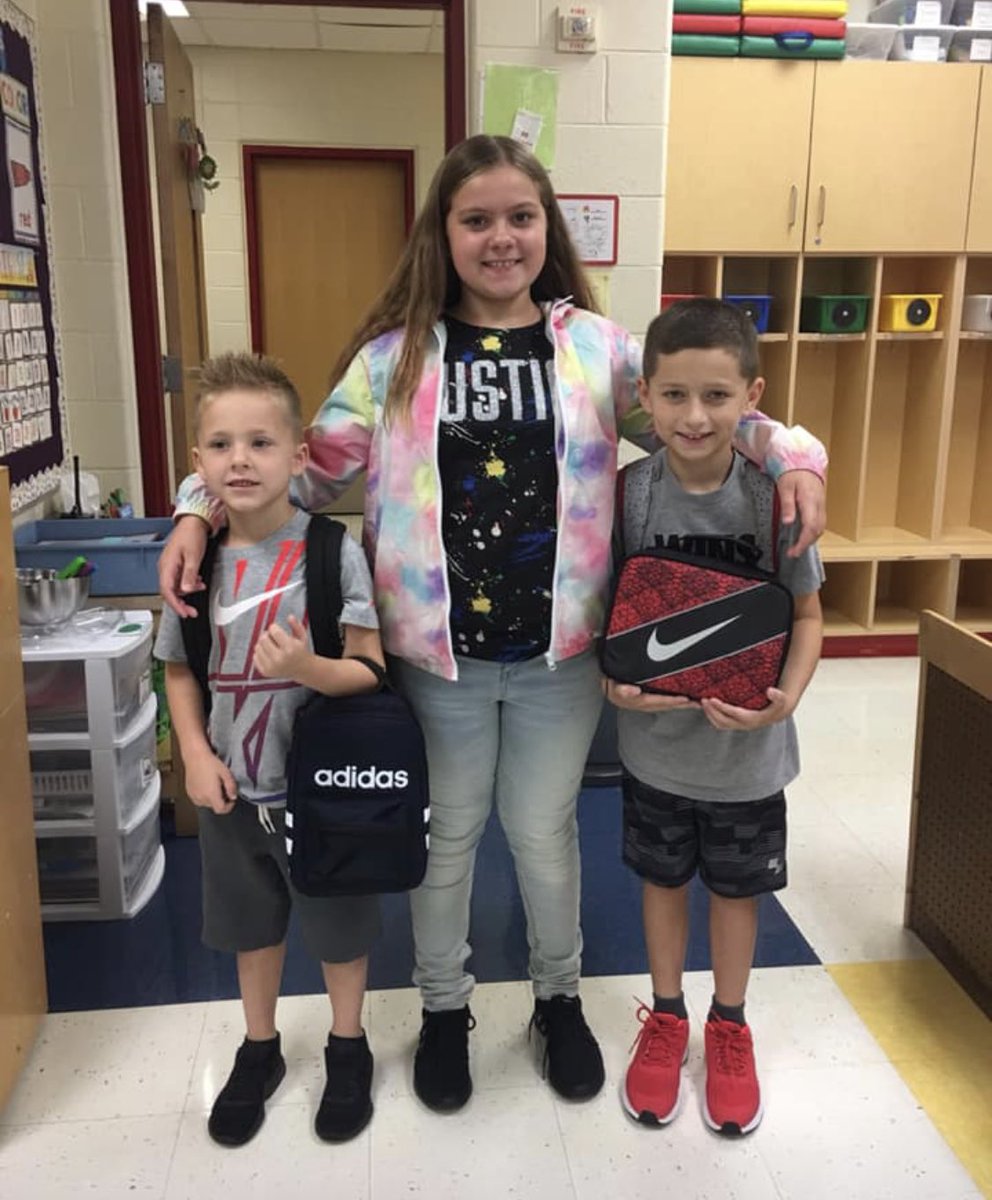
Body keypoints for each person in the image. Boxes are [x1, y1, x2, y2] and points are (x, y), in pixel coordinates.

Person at [157, 135, 828, 1114]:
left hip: (559, 656)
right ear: (444, 233)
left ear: (545, 229)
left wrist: (796, 454)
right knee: (447, 840)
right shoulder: (393, 361)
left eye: (520, 217)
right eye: (476, 219)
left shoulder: (597, 355)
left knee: (546, 836)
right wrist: (191, 504)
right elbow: (277, 465)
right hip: (436, 664)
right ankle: (442, 1010)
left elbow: (706, 410)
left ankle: (556, 1000)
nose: (500, 237)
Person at [154, 352, 385, 1148]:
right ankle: (260, 1049)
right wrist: (192, 752)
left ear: (299, 454)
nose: (240, 461)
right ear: (197, 464)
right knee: (252, 926)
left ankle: (348, 1046)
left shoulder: (331, 551)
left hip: (318, 794)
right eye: (220, 445)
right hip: (229, 789)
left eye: (259, 443)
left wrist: (306, 669)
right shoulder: (193, 562)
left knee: (337, 928)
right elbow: (179, 666)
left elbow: (368, 668)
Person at [606, 299, 824, 1136]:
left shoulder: (778, 499)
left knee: (737, 893)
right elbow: (609, 622)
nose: (693, 416)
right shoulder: (626, 497)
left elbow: (803, 618)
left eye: (716, 396)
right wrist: (611, 686)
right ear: (645, 399)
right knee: (662, 883)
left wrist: (788, 700)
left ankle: (727, 1025)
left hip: (748, 759)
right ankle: (667, 1017)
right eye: (673, 396)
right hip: (656, 751)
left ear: (752, 397)